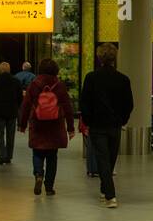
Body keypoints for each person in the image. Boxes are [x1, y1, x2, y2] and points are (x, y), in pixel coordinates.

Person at [79, 44, 133, 208]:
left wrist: (88, 120)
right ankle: (106, 192)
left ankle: (109, 195)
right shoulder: (123, 79)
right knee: (110, 158)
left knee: (102, 159)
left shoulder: (91, 78)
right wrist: (122, 120)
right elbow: (129, 104)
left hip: (97, 125)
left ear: (99, 57)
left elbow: (85, 102)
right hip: (115, 125)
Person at [18, 58, 75, 197]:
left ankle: (38, 174)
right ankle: (49, 187)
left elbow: (25, 106)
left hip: (37, 124)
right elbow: (68, 107)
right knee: (52, 156)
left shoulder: (34, 84)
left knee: (37, 152)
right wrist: (71, 128)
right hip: (55, 125)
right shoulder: (59, 85)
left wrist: (22, 124)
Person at [0, 61, 22, 165]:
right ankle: (9, 156)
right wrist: (17, 107)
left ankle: (2, 156)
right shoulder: (16, 81)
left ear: (0, 70)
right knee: (11, 136)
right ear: (9, 70)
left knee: (0, 136)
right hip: (12, 113)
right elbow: (20, 98)